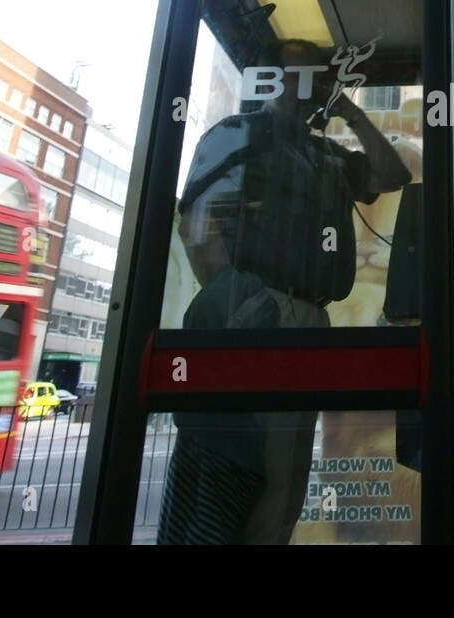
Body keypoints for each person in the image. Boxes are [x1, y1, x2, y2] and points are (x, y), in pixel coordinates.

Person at [158, 38, 410, 545]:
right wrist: (242, 297)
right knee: (246, 465)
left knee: (288, 472)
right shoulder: (239, 134)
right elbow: (199, 224)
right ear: (272, 78)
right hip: (255, 308)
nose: (313, 82)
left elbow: (392, 173)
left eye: (319, 75)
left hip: (308, 315)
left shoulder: (325, 153)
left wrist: (349, 113)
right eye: (303, 73)